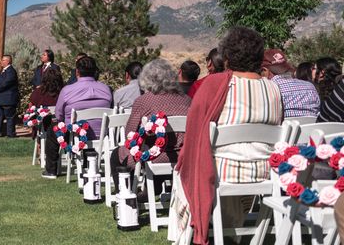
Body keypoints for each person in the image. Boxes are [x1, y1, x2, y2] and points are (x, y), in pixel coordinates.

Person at [171, 26, 283, 245]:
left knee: (185, 166)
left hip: (222, 173)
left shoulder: (216, 83)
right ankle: (230, 231)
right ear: (259, 58)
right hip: (264, 171)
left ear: (228, 57)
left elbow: (194, 131)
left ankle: (189, 235)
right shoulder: (273, 89)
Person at [110, 59, 191, 191]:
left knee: (116, 155)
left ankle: (126, 196)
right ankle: (152, 188)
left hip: (155, 156)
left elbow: (130, 135)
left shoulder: (144, 101)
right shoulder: (187, 99)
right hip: (184, 156)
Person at [42, 55, 112, 179]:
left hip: (75, 135)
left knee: (53, 129)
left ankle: (51, 170)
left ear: (77, 71)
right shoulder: (106, 89)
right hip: (102, 134)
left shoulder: (67, 90)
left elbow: (59, 115)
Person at [261, 49, 320, 118]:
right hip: (311, 128)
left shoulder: (268, 89)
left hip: (283, 128)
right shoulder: (310, 87)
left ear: (265, 70)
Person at [0, 55, 19, 138]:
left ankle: (10, 134)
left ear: (8, 61)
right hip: (0, 98)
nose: (1, 61)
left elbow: (7, 82)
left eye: (3, 60)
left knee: (10, 117)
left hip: (9, 99)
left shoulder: (11, 71)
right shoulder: (1, 71)